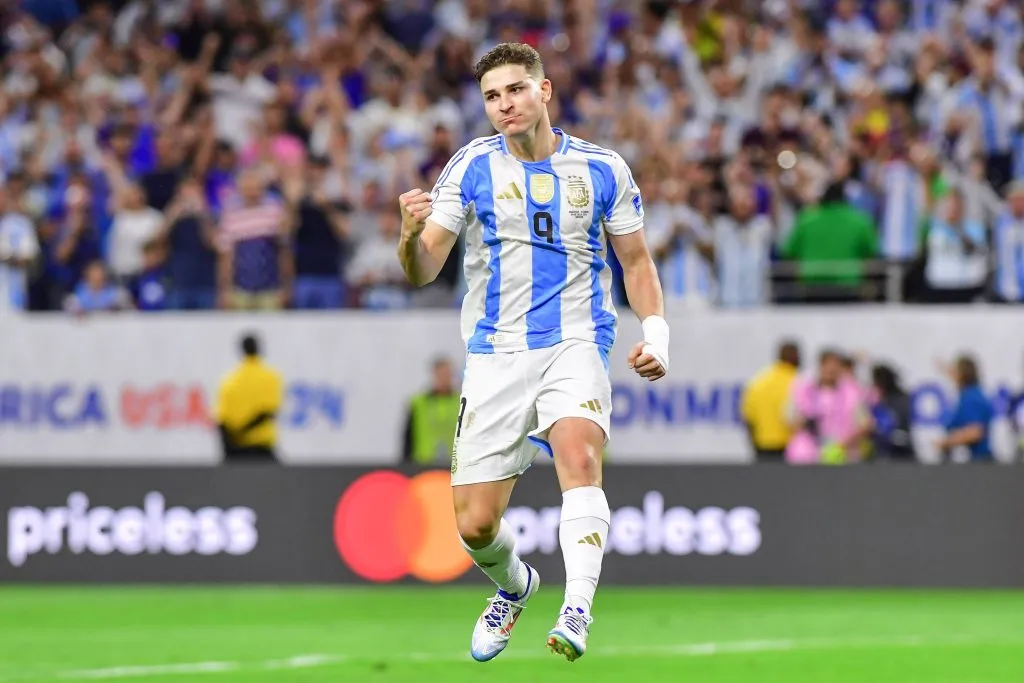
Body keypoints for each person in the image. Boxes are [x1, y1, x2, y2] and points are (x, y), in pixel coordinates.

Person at [396, 43, 669, 664]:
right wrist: (409, 236)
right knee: (473, 525)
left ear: (543, 92)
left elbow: (636, 262)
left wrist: (655, 335)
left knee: (579, 454)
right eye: (492, 96)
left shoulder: (603, 169)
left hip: (576, 340)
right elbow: (422, 268)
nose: (504, 105)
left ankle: (578, 607)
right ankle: (516, 586)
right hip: (495, 354)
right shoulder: (470, 168)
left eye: (515, 90)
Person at [213, 333, 284, 463]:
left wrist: (232, 441)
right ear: (259, 349)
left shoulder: (230, 380)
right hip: (262, 448)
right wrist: (245, 432)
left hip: (235, 449)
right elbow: (268, 412)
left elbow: (222, 419)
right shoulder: (270, 377)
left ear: (242, 350)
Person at [741, 340, 801, 462]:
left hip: (762, 446)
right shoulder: (799, 383)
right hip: (790, 448)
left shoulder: (758, 381)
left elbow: (748, 417)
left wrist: (755, 444)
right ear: (797, 357)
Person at [401, 356, 462, 465]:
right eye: (441, 374)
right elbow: (408, 436)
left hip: (454, 466)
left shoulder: (461, 401)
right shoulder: (418, 402)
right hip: (422, 464)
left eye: (447, 374)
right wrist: (406, 464)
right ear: (434, 374)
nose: (444, 378)